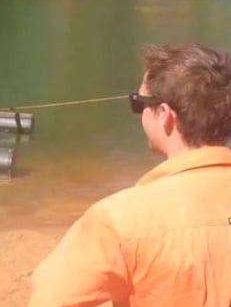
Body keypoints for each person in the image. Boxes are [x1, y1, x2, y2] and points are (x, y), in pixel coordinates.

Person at [29, 44, 231, 306]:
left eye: (139, 103)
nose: (139, 113)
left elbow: (49, 300)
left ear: (164, 114)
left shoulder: (118, 219)